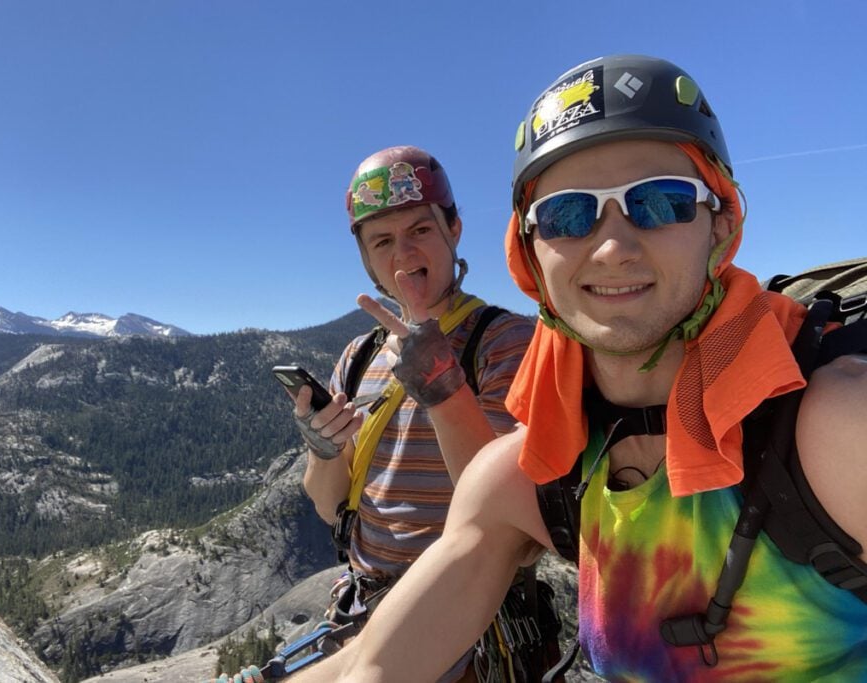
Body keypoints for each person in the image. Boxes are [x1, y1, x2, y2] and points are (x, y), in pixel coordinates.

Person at [290, 55, 867, 682]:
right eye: (569, 215)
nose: (614, 247)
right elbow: (370, 667)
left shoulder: (833, 428)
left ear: (722, 226)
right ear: (529, 253)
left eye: (662, 203)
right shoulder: (531, 468)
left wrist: (443, 389)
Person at [287, 145, 536, 681]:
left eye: (420, 230)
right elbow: (332, 508)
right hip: (364, 608)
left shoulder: (507, 343)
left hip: (470, 621)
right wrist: (323, 448)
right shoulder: (359, 357)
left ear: (455, 230)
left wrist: (443, 385)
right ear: (366, 259)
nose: (402, 253)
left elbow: (511, 512)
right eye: (382, 240)